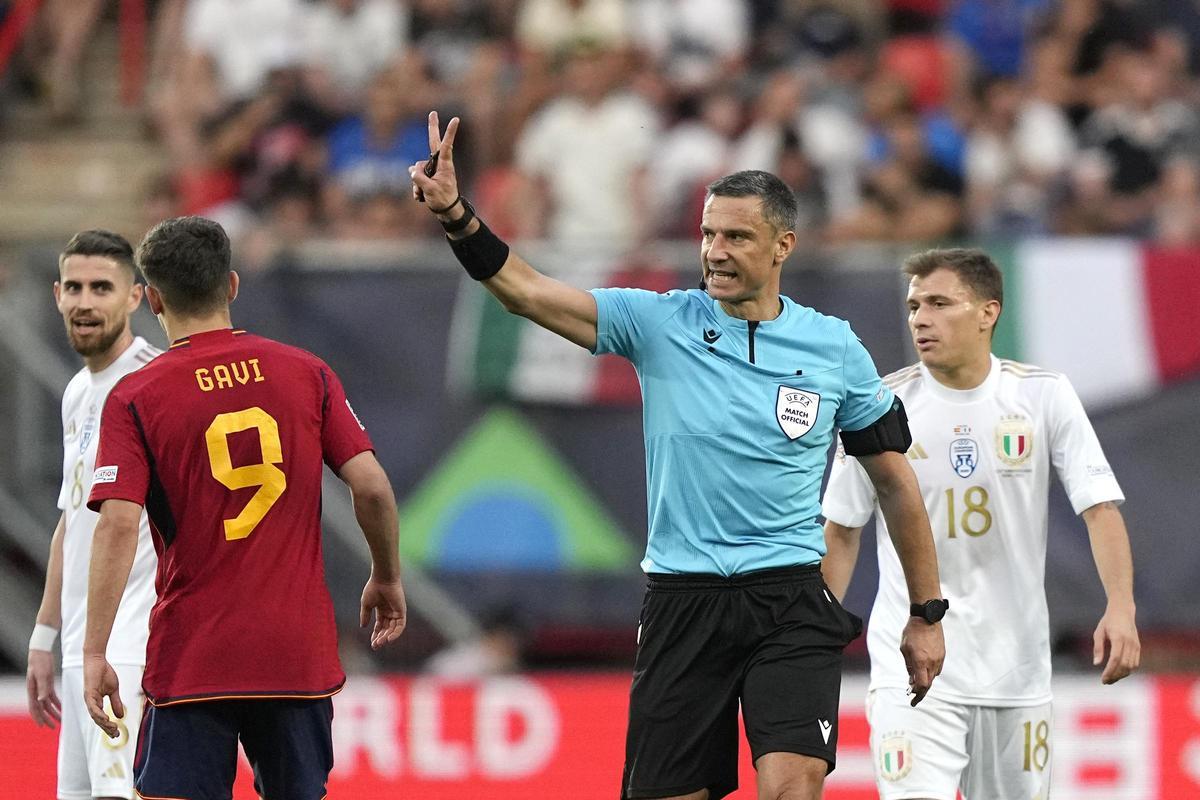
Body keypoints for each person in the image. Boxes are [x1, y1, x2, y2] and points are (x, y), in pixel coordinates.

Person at [410, 112, 946, 800]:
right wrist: (456, 214)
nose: (715, 251)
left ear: (783, 245)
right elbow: (526, 293)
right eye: (707, 234)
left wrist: (926, 613)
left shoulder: (834, 346)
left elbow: (897, 486)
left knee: (792, 788)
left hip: (788, 597)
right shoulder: (658, 322)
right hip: (682, 600)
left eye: (736, 237)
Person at [81, 216, 407, 799]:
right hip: (295, 653)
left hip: (194, 655)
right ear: (231, 286)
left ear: (151, 297)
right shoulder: (307, 373)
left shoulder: (135, 396)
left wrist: (94, 648)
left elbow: (119, 523)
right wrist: (385, 575)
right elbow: (373, 487)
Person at [821, 248, 1140, 800]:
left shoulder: (1040, 394)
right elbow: (842, 528)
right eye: (914, 305)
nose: (920, 318)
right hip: (911, 667)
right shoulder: (880, 405)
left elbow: (1099, 508)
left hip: (1014, 667)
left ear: (988, 312)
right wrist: (813, 633)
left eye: (940, 303)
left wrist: (1121, 607)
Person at [26, 230, 160, 800]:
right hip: (85, 643)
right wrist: (43, 634)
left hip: (130, 641)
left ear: (134, 297)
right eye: (75, 287)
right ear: (57, 295)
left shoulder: (153, 383)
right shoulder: (78, 390)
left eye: (102, 288)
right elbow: (71, 520)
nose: (85, 301)